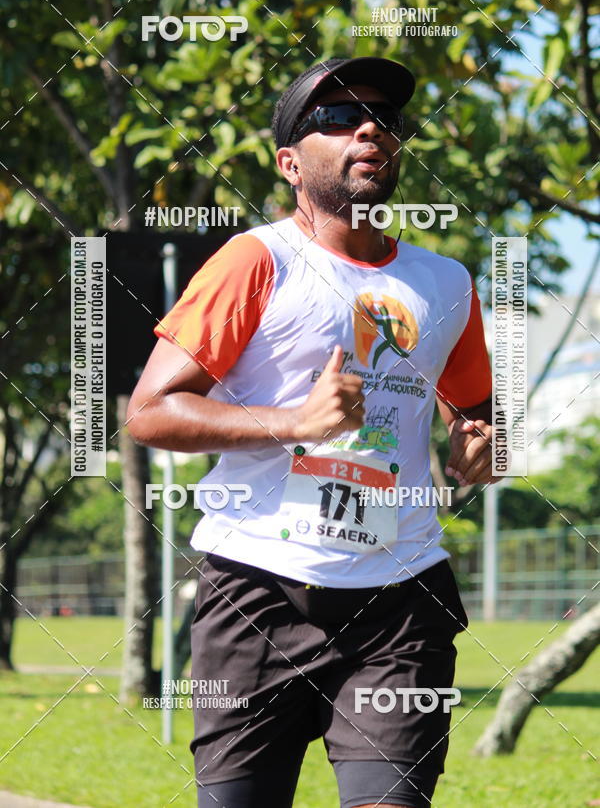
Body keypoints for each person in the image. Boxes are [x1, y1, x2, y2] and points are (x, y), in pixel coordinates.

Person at [127, 56, 497, 808]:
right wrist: (296, 422)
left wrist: (484, 447)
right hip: (256, 589)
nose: (369, 128)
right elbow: (151, 411)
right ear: (290, 163)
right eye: (337, 117)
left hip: (401, 594)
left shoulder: (446, 282)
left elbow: (480, 413)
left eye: (384, 120)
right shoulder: (256, 260)